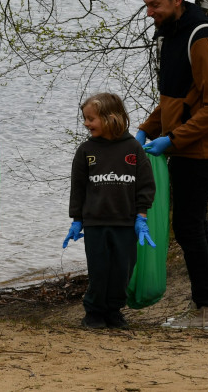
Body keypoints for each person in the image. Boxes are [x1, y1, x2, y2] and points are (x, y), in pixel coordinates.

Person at [135, 0, 208, 330]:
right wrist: (145, 131)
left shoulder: (200, 37)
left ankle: (205, 310)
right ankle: (206, 307)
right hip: (183, 146)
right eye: (147, 5)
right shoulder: (171, 33)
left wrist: (172, 140)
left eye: (155, 5)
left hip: (201, 148)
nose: (150, 13)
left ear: (177, 0)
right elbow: (175, 100)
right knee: (193, 225)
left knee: (189, 226)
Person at [63, 92, 156, 329]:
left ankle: (114, 311)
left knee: (122, 271)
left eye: (91, 118)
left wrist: (141, 216)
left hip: (126, 224)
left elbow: (145, 184)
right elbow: (78, 187)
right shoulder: (86, 150)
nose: (86, 123)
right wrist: (77, 220)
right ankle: (93, 313)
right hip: (95, 223)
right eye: (85, 118)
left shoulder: (133, 147)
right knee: (99, 270)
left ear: (110, 117)